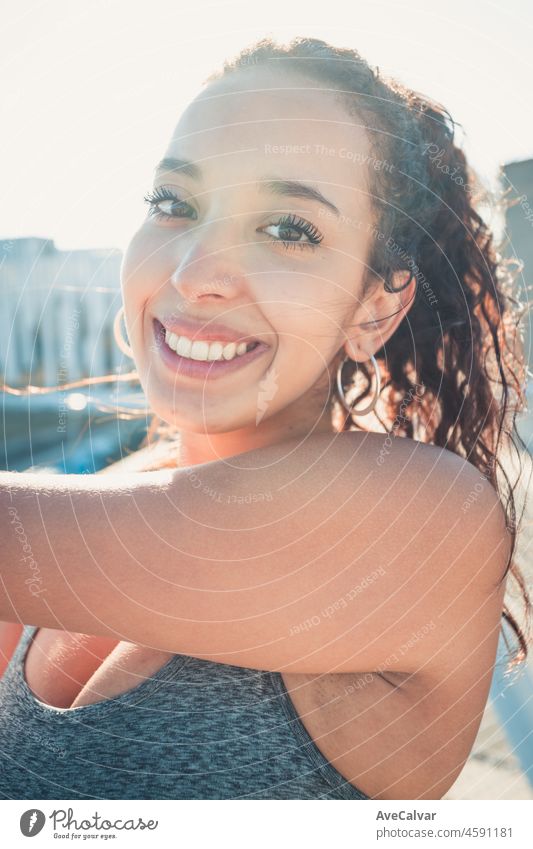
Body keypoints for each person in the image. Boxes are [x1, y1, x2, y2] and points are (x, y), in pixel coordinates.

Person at [0, 35, 530, 801]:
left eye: (288, 229)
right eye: (173, 204)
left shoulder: (420, 518)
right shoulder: (121, 486)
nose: (195, 274)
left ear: (375, 307)